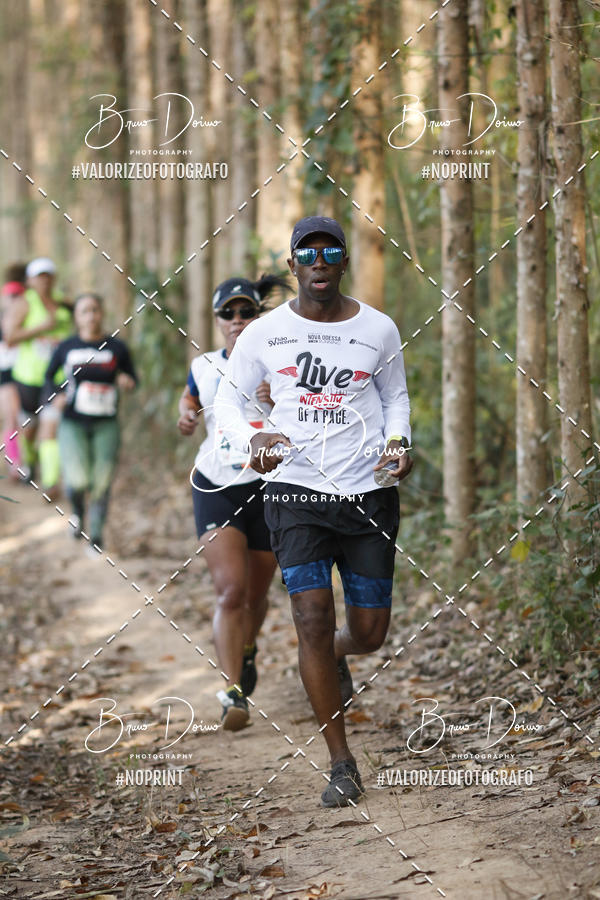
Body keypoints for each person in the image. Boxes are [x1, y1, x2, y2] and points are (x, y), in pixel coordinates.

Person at [215, 217, 412, 806]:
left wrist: (398, 443)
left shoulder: (378, 328)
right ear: (295, 264)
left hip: (366, 495)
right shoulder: (264, 334)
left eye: (331, 251)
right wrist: (254, 438)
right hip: (295, 494)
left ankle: (338, 655)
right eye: (308, 252)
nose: (320, 260)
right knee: (310, 621)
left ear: (343, 262)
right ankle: (341, 762)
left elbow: (394, 396)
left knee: (371, 633)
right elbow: (230, 398)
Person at [178, 275, 290, 731]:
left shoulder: (280, 362)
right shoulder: (203, 364)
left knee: (256, 594)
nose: (238, 320)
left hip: (268, 486)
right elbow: (188, 398)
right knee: (230, 591)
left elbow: (314, 410)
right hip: (215, 483)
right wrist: (185, 415)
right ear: (218, 319)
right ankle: (232, 693)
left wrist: (279, 397)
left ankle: (247, 648)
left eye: (246, 312)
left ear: (258, 316)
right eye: (229, 313)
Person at [43, 293, 137, 552]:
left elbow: (132, 376)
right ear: (77, 316)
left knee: (102, 480)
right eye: (84, 311)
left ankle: (96, 535)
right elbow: (49, 377)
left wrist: (126, 381)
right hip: (72, 422)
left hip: (106, 422)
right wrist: (57, 396)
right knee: (77, 480)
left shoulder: (116, 347)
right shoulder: (67, 347)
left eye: (95, 310)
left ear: (102, 313)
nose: (91, 315)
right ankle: (77, 515)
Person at [3, 257, 73, 493]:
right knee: (29, 428)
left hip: (56, 377)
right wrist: (41, 329)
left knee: (50, 425)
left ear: (54, 278)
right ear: (30, 280)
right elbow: (10, 337)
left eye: (48, 275)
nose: (44, 281)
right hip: (28, 377)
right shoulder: (23, 303)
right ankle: (29, 460)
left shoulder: (63, 303)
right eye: (38, 276)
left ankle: (51, 483)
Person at [0, 263, 27, 477]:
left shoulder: (22, 297)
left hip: (21, 368)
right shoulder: (19, 295)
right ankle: (14, 465)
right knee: (12, 417)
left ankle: (18, 464)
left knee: (16, 417)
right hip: (8, 369)